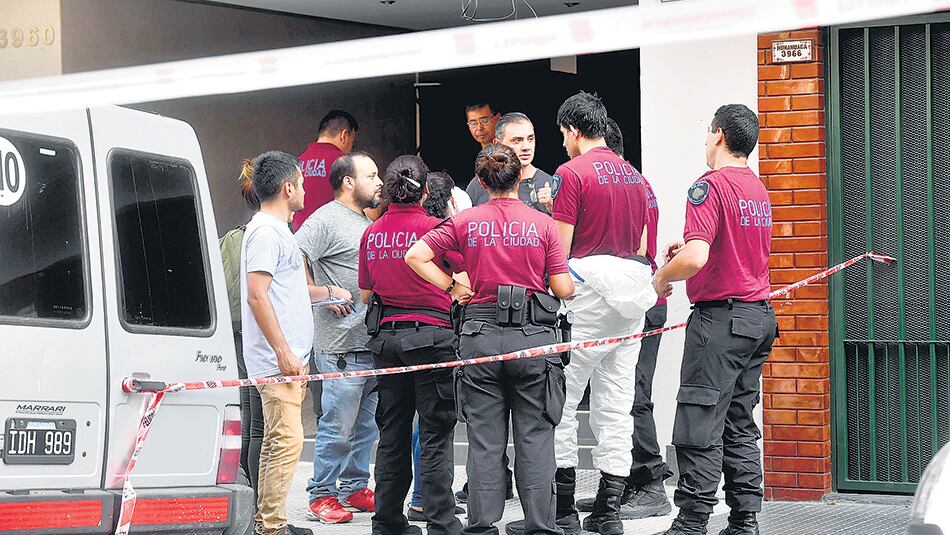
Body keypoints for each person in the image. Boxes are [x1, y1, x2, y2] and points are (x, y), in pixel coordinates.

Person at [406, 144, 575, 535]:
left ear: (481, 182)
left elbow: (415, 256)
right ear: (520, 178)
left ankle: (481, 525)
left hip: (478, 337)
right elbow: (562, 287)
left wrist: (452, 286)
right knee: (535, 436)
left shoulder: (466, 220)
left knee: (484, 440)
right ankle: (537, 524)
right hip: (533, 339)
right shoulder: (543, 223)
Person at [510, 92, 657, 535]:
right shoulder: (636, 176)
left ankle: (565, 511)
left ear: (573, 130)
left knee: (563, 402)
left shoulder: (571, 174)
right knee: (616, 407)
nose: (563, 143)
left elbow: (561, 249)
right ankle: (608, 514)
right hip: (630, 300)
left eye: (561, 134)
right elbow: (644, 249)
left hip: (586, 299)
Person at [653, 104, 776, 535]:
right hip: (757, 318)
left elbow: (698, 255)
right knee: (739, 421)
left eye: (708, 133)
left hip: (720, 322)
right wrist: (686, 251)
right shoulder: (757, 189)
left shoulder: (709, 186)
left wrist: (661, 277)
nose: (706, 140)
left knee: (699, 420)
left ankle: (691, 521)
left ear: (719, 134)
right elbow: (730, 251)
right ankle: (745, 520)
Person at [359, 155, 468, 535]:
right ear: (424, 191)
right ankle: (442, 523)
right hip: (433, 340)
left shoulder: (371, 234)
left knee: (391, 434)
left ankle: (387, 523)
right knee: (436, 433)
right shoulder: (438, 228)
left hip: (386, 342)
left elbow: (365, 292)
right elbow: (466, 284)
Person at [575, 118, 673, 519]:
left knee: (631, 394)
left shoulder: (623, 185)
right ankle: (613, 490)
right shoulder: (639, 185)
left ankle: (649, 484)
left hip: (634, 299)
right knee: (616, 396)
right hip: (635, 296)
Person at [297, 151, 383, 524]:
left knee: (366, 426)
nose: (379, 182)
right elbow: (293, 255)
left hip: (368, 342)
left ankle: (353, 486)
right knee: (337, 426)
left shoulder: (362, 219)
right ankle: (322, 493)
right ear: (349, 182)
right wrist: (322, 293)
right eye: (372, 175)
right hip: (340, 348)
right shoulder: (326, 219)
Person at [240, 150, 314, 535]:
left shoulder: (273, 229)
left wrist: (325, 293)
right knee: (287, 443)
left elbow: (284, 290)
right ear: (288, 188)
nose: (304, 189)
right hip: (278, 361)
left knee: (276, 444)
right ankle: (271, 526)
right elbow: (258, 294)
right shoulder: (267, 231)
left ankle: (269, 521)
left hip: (284, 359)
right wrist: (284, 352)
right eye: (301, 183)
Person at [219, 160, 265, 504]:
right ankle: (262, 506)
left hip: (236, 331)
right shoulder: (268, 236)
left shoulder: (230, 238)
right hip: (261, 335)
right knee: (263, 426)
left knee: (250, 420)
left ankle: (250, 500)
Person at [465, 113, 555, 214]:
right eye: (517, 141)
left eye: (530, 139)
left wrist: (553, 209)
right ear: (498, 144)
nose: (526, 147)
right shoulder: (481, 182)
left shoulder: (549, 184)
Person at [292, 110, 359, 231]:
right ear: (344, 135)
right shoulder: (345, 163)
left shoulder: (296, 163)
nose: (350, 150)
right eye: (353, 144)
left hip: (300, 242)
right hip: (333, 242)